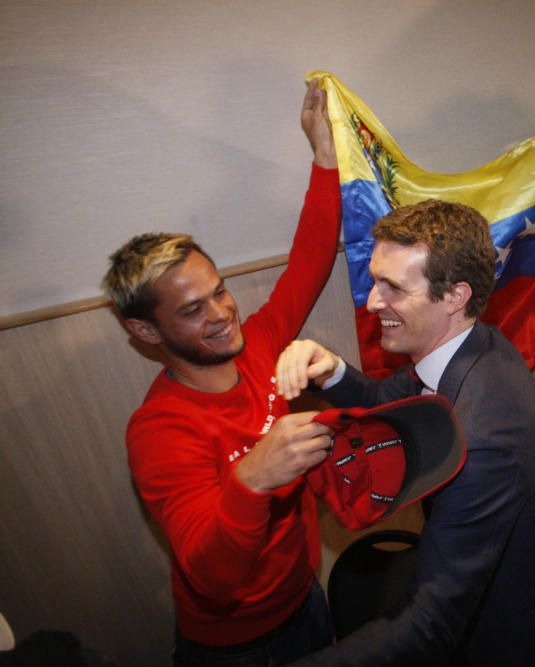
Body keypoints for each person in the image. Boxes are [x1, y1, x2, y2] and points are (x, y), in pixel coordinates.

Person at [275, 199, 535, 667]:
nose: (372, 302)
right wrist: (330, 370)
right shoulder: (468, 344)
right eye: (374, 281)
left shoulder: (482, 442)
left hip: (527, 629)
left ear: (454, 296)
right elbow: (389, 402)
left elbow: (428, 625)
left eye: (392, 288)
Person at [102, 79, 340, 666]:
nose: (223, 314)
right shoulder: (158, 434)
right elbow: (213, 576)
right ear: (147, 332)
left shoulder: (256, 344)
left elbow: (309, 261)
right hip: (237, 645)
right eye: (192, 310)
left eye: (220, 291)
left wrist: (325, 158)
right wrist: (254, 476)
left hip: (307, 598)